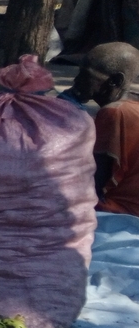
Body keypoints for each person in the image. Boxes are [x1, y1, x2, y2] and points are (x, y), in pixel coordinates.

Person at [65, 42, 139, 216]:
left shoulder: (114, 112)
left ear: (115, 81)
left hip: (119, 211)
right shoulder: (131, 106)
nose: (76, 80)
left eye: (85, 75)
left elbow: (95, 182)